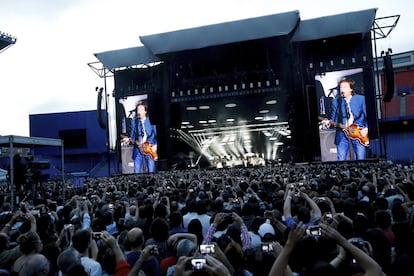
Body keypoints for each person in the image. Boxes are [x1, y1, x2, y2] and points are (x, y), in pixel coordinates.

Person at [324, 77, 369, 161]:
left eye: (344, 87)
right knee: (341, 159)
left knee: (361, 158)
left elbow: (369, 116)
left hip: (359, 133)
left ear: (351, 88)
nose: (342, 89)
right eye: (341, 87)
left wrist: (366, 128)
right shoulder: (336, 101)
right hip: (342, 134)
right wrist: (328, 122)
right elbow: (333, 119)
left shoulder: (361, 99)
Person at [123, 102, 158, 173]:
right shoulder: (134, 122)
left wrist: (155, 146)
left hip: (150, 149)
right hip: (138, 150)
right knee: (136, 172)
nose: (139, 112)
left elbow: (156, 135)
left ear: (145, 111)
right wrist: (128, 139)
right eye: (138, 110)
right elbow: (132, 136)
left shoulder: (151, 121)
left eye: (141, 110)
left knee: (151, 171)